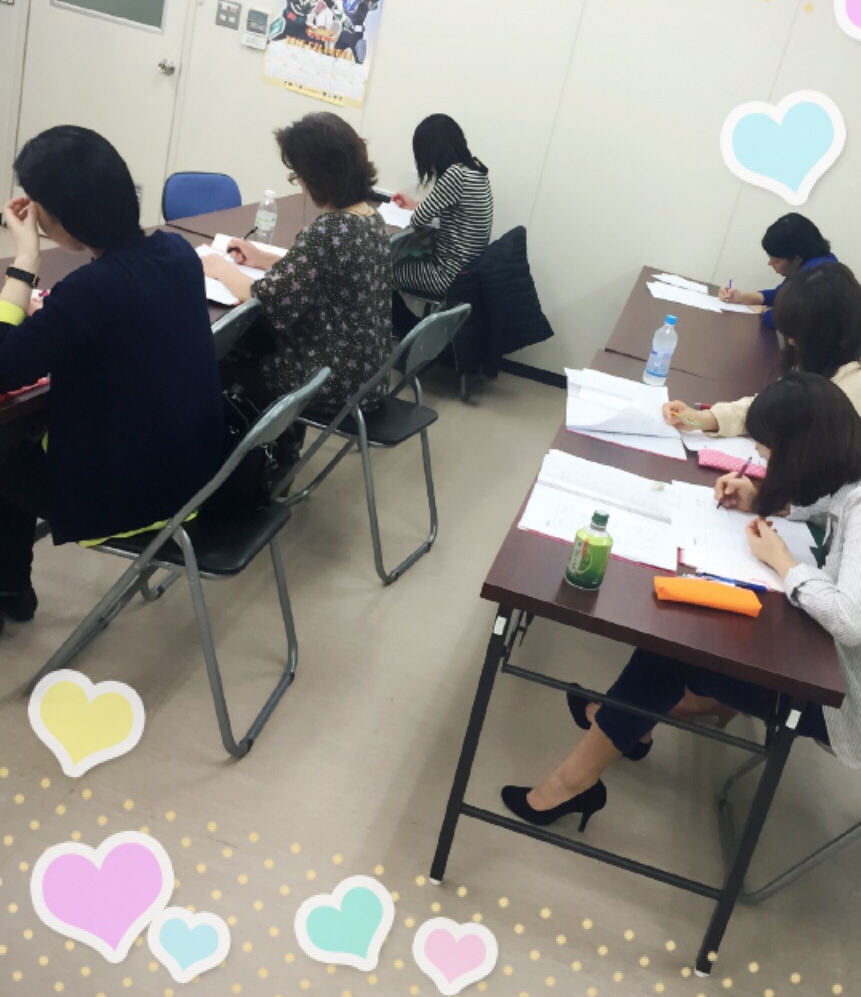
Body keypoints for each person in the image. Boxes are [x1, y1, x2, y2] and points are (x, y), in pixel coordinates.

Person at [501, 374, 861, 830]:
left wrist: (784, 564)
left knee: (677, 647)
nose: (764, 458)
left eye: (770, 453)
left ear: (801, 453)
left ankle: (574, 782)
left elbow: (854, 621)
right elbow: (836, 501)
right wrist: (765, 501)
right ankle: (629, 724)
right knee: (705, 623)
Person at [0, 126, 225, 632]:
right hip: (195, 474)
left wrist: (25, 261)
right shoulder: (176, 253)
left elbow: (4, 365)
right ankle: (10, 586)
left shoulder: (91, 291)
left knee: (6, 439)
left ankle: (10, 585)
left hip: (126, 499)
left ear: (63, 217)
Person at [203, 112, 392, 414]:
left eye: (299, 175)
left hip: (328, 380)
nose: (300, 183)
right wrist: (263, 258)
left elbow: (269, 299)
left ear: (318, 176)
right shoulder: (369, 217)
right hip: (367, 374)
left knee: (213, 365)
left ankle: (258, 441)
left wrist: (219, 268)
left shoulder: (328, 231)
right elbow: (326, 270)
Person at [665, 264, 861, 451]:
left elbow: (822, 468)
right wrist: (704, 419)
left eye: (798, 334)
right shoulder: (825, 356)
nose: (792, 342)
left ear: (828, 332)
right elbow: (771, 406)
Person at [392, 114, 493, 302]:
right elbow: (451, 212)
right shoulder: (476, 171)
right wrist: (413, 205)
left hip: (445, 276)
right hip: (466, 274)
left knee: (382, 270)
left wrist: (416, 210)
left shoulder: (456, 175)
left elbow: (417, 219)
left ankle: (391, 320)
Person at [720, 213, 837, 329]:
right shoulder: (816, 261)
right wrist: (742, 297)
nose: (769, 263)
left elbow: (787, 319)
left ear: (797, 258)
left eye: (776, 260)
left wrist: (765, 311)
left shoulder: (819, 277)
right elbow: (781, 294)